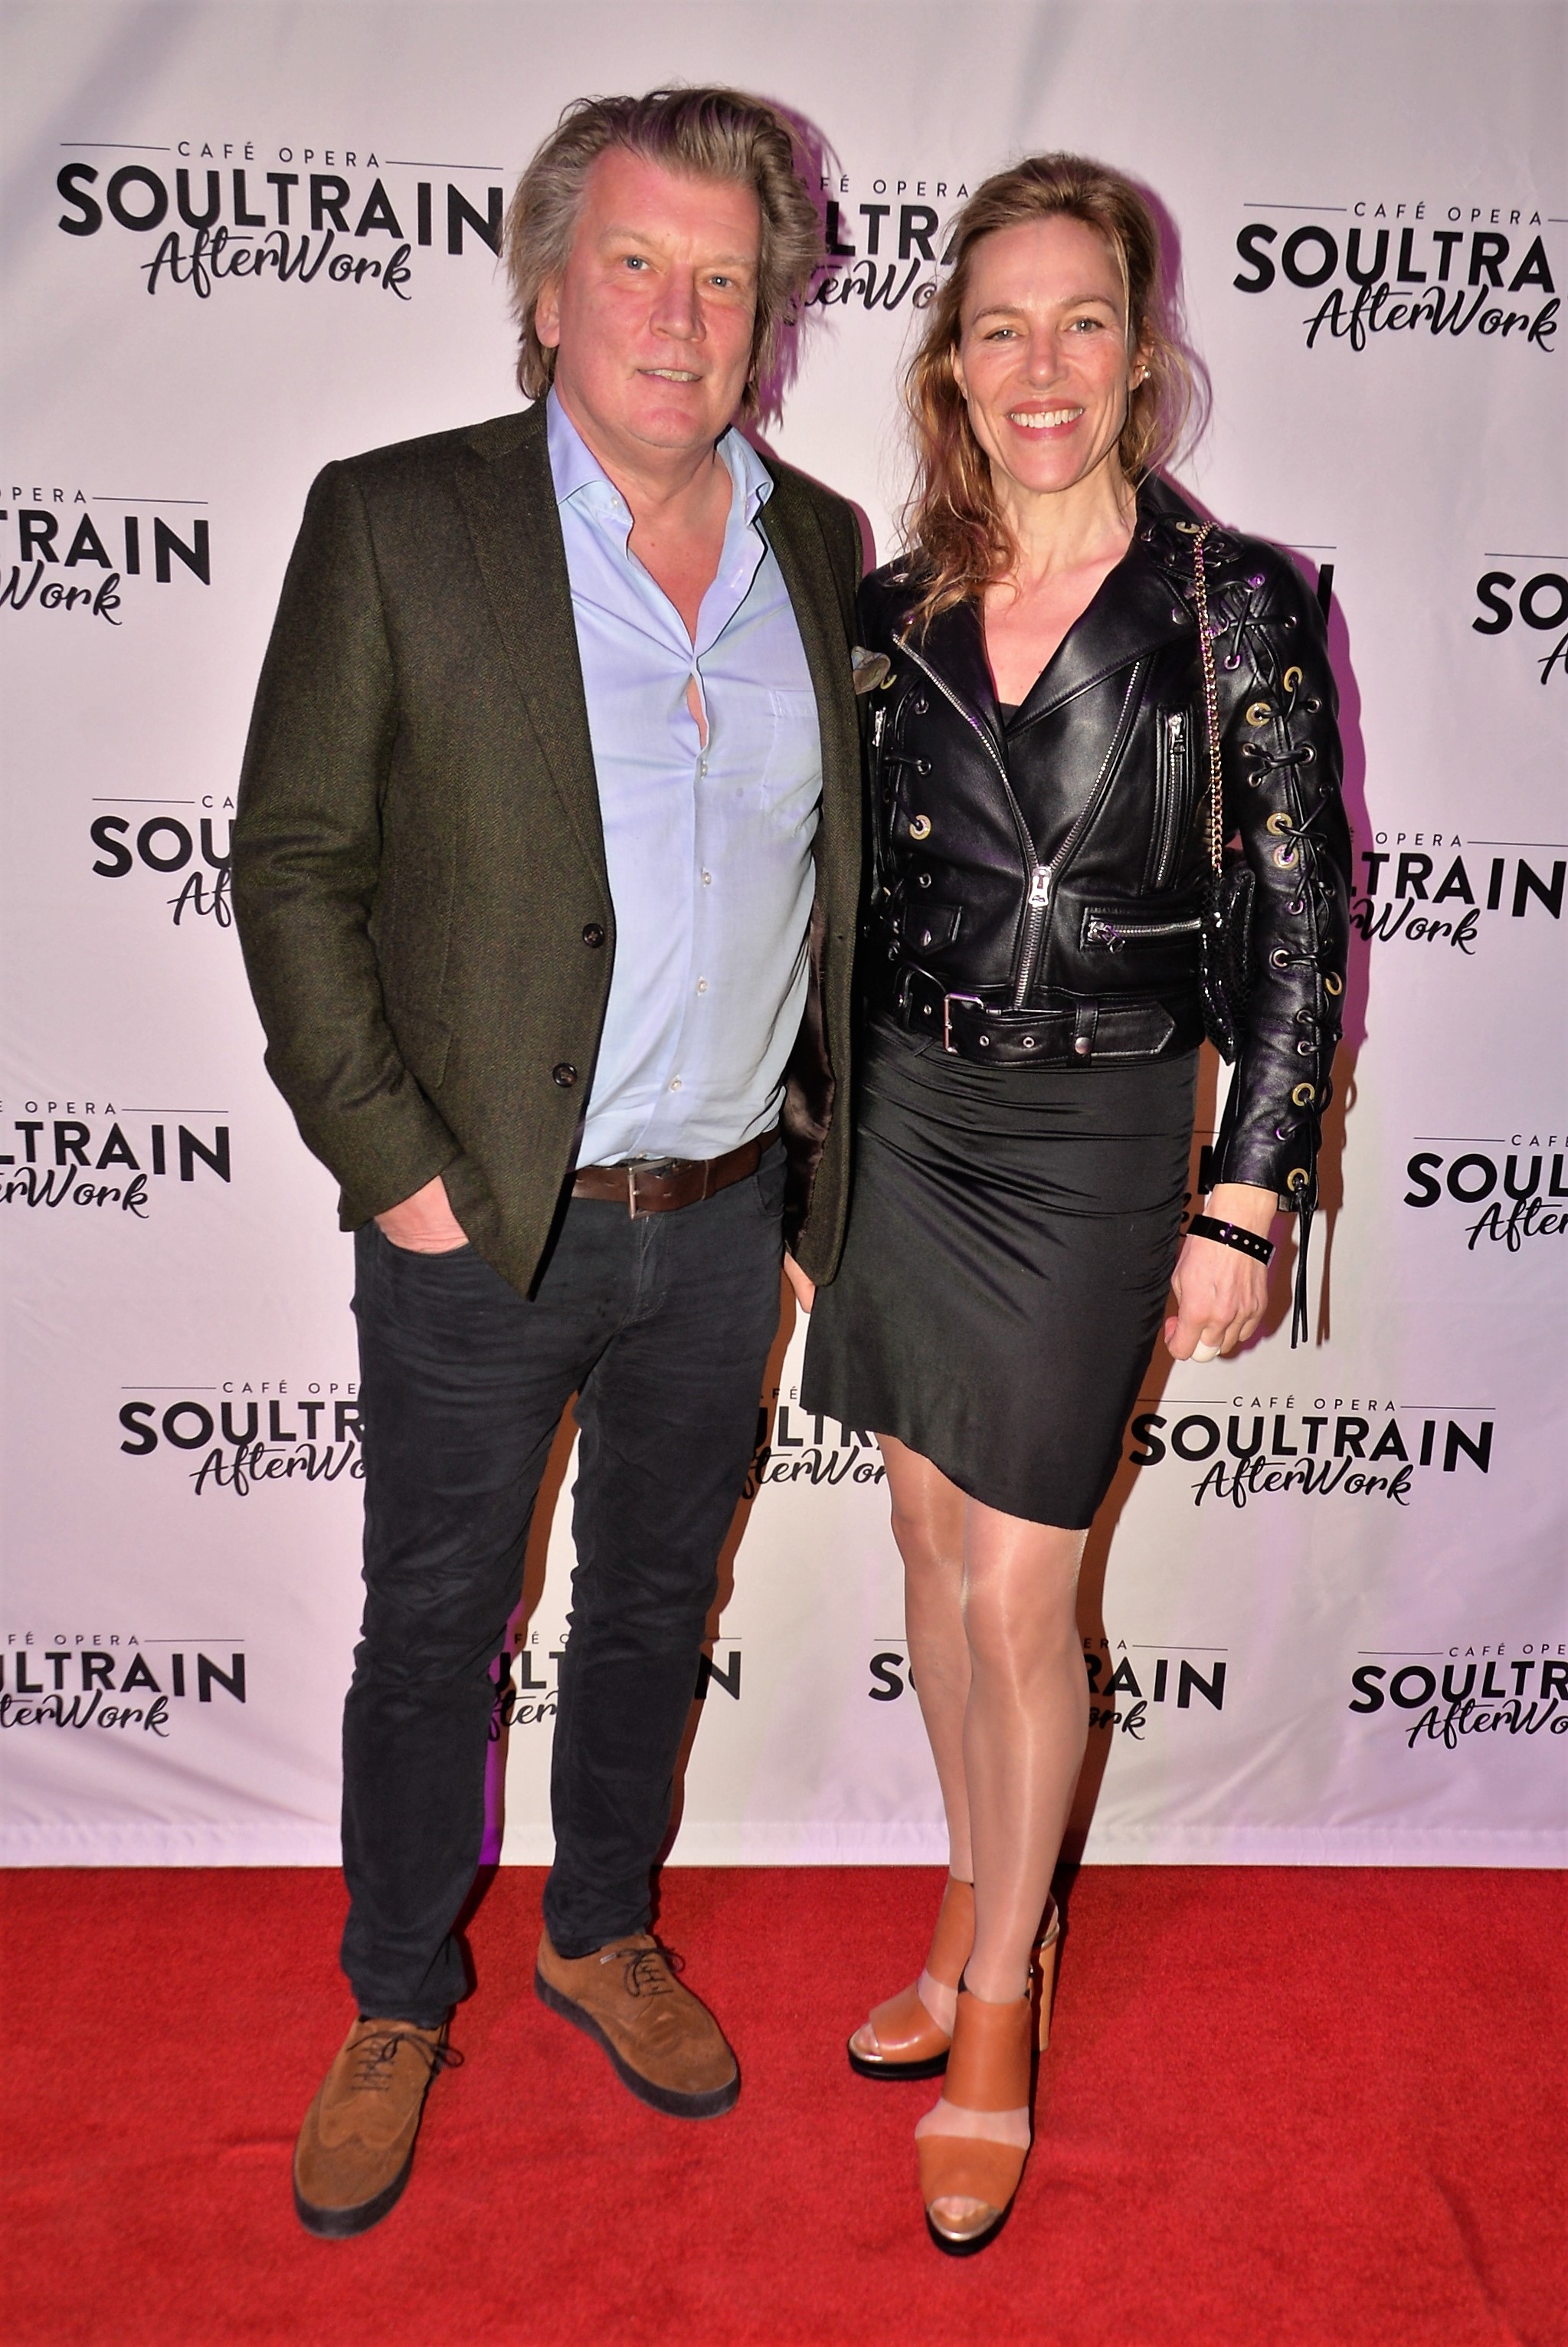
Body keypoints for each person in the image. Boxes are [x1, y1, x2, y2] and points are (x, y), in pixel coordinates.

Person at [233, 87, 863, 2240]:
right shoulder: (400, 520)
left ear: (769, 312)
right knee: (436, 1627)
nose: (680, 318)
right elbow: (294, 865)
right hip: (478, 1226)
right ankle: (398, 1994)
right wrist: (399, 1169)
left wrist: (811, 1184)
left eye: (724, 279)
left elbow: (839, 894)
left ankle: (600, 1932)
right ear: (547, 288)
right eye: (637, 266)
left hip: (724, 1217)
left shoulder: (817, 548)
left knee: (656, 1605)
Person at [800, 154, 1350, 2254]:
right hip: (907, 1117)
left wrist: (1248, 1191)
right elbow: (842, 906)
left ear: (1142, 350)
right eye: (1001, 328)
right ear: (953, 363)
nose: (1044, 367)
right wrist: (807, 1151)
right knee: (933, 1551)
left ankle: (999, 2019)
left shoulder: (1235, 603)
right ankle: (973, 1906)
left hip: (1106, 1131)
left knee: (1024, 1594)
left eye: (1085, 322)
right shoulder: (887, 613)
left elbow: (1302, 924)